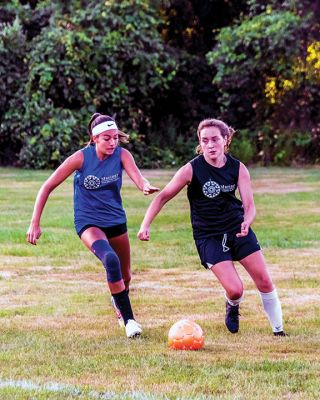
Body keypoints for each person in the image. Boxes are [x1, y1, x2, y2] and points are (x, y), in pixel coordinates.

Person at [138, 118, 286, 336]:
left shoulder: (238, 168)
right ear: (199, 142)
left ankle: (278, 331)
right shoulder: (191, 169)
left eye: (215, 139)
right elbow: (163, 197)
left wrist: (247, 221)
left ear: (225, 140)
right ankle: (232, 305)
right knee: (235, 289)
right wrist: (145, 225)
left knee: (264, 280)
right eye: (204, 140)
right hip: (209, 236)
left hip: (237, 228)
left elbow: (250, 206)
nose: (210, 145)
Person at [27, 113, 159, 338]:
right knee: (110, 260)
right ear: (94, 138)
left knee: (125, 276)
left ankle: (117, 300)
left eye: (115, 137)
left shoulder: (122, 155)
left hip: (116, 220)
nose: (112, 142)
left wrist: (144, 186)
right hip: (88, 221)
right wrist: (34, 222)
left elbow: (138, 178)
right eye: (106, 138)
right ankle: (129, 322)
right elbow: (47, 186)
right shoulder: (80, 158)